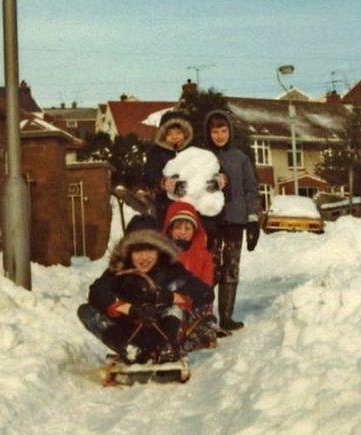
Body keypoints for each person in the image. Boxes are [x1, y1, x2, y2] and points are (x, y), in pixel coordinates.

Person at [77, 227, 213, 364]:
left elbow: (205, 293)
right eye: (138, 251)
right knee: (86, 311)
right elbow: (97, 292)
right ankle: (129, 351)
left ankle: (167, 348)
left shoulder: (171, 269)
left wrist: (169, 297)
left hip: (164, 329)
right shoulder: (119, 270)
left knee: (174, 306)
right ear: (129, 253)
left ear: (159, 251)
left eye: (149, 250)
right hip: (130, 333)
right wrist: (131, 309)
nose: (144, 257)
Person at [203, 110, 261, 331]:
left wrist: (253, 220)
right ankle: (205, 318)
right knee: (211, 268)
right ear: (209, 133)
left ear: (230, 131)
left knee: (231, 268)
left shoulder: (241, 158)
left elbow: (251, 190)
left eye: (223, 130)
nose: (219, 135)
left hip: (235, 222)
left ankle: (226, 316)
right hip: (211, 222)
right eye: (215, 131)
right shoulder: (203, 156)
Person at [161, 201, 219, 350]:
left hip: (194, 301)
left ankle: (198, 332)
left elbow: (206, 283)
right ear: (170, 230)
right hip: (173, 301)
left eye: (187, 228)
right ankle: (175, 336)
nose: (183, 232)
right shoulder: (164, 254)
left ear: (194, 231)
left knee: (201, 317)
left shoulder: (203, 255)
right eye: (178, 228)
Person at [139, 110, 193, 226]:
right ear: (163, 135)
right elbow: (151, 172)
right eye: (170, 134)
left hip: (188, 199)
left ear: (185, 133)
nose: (175, 137)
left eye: (178, 133)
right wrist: (162, 182)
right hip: (164, 200)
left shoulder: (190, 151)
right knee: (166, 226)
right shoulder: (156, 152)